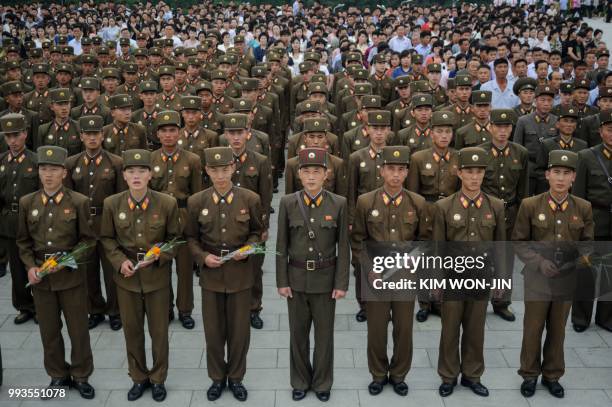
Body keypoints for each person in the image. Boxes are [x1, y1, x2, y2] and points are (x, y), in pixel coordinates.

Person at [100, 149, 181, 402]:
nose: (136, 176)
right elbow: (107, 237)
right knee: (132, 332)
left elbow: (175, 239)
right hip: (127, 280)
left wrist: (159, 255)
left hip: (156, 279)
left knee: (158, 332)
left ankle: (158, 379)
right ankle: (138, 377)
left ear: (150, 174)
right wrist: (119, 260)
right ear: (124, 176)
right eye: (131, 171)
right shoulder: (112, 204)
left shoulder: (167, 203)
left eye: (142, 171)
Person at [513, 149, 594, 399]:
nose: (560, 178)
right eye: (556, 172)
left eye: (566, 173)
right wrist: (538, 262)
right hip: (537, 279)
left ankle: (552, 375)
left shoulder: (583, 207)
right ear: (547, 175)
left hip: (565, 280)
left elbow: (588, 243)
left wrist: (573, 262)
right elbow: (518, 241)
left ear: (573, 178)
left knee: (558, 329)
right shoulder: (530, 205)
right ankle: (529, 374)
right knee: (533, 328)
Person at [185, 147, 264, 402]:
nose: (220, 175)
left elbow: (257, 233)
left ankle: (237, 378)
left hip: (240, 274)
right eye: (214, 170)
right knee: (214, 331)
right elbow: (191, 238)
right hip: (211, 276)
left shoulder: (250, 199)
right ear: (207, 171)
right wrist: (202, 258)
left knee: (240, 332)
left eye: (224, 169)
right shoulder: (197, 201)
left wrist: (248, 248)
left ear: (233, 168)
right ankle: (217, 378)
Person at [17, 146, 96, 399]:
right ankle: (57, 375)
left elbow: (88, 241)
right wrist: (30, 267)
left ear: (64, 172)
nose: (48, 174)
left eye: (53, 169)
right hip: (41, 280)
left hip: (70, 278)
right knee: (49, 331)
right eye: (43, 169)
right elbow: (23, 241)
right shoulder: (28, 202)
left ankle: (81, 375)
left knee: (78, 330)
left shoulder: (79, 202)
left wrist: (67, 261)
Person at [351, 145, 427, 397]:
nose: (396, 174)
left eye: (401, 170)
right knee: (376, 329)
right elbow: (358, 240)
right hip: (377, 276)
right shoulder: (366, 201)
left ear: (406, 173)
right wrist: (369, 267)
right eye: (391, 169)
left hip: (406, 276)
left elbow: (424, 241)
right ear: (381, 171)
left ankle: (399, 374)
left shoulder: (417, 202)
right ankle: (378, 374)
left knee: (404, 329)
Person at [276, 147, 349, 402]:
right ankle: (299, 381)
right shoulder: (287, 203)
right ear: (298, 174)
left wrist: (341, 283)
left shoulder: (338, 203)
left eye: (316, 171)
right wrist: (282, 281)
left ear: (326, 174)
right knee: (297, 334)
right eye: (306, 171)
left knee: (324, 335)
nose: (311, 176)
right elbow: (281, 247)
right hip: (295, 279)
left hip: (325, 280)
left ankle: (322, 382)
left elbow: (343, 247)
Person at [433, 147, 506, 398]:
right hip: (453, 278)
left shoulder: (495, 206)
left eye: (479, 172)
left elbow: (500, 247)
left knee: (476, 329)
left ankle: (472, 375)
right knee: (450, 329)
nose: (474, 177)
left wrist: (501, 279)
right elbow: (438, 248)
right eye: (469, 171)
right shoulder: (444, 206)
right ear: (459, 172)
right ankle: (448, 375)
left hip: (481, 278)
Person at [64, 115, 126, 331]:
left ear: (102, 135)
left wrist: (118, 227)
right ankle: (95, 309)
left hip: (107, 222)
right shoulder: (72, 163)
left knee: (111, 271)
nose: (92, 138)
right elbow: (69, 199)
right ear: (81, 136)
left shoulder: (116, 162)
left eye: (96, 133)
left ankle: (115, 311)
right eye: (87, 134)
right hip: (84, 224)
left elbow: (120, 198)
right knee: (88, 271)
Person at [149, 110, 202, 329]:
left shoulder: (193, 160)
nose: (169, 135)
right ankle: (166, 307)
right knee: (161, 267)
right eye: (164, 131)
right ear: (158, 134)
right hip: (158, 219)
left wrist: (196, 226)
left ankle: (185, 310)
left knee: (184, 269)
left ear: (179, 132)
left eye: (172, 130)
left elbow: (197, 195)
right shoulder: (149, 159)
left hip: (183, 219)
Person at [407, 111, 460, 321]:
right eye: (440, 131)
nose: (444, 136)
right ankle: (425, 302)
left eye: (448, 131)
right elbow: (412, 193)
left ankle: (440, 300)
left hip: (449, 214)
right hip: (426, 213)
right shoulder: (418, 158)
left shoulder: (458, 157)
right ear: (431, 133)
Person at [222, 113, 273, 329]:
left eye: (239, 133)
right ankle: (231, 310)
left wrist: (264, 226)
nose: (236, 137)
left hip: (252, 225)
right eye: (231, 133)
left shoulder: (259, 160)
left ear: (247, 134)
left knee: (254, 269)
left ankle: (254, 309)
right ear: (225, 135)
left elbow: (265, 195)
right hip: (226, 223)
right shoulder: (220, 160)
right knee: (227, 268)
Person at [571, 109, 612, 332]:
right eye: (609, 130)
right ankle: (581, 318)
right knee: (586, 273)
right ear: (600, 131)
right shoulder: (587, 156)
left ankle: (606, 318)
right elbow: (578, 195)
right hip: (593, 222)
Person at [0, 113, 38, 324]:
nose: (13, 140)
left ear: (25, 134)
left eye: (16, 135)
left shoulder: (35, 160)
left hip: (31, 220)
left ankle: (41, 306)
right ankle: (24, 306)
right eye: (8, 136)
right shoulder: (2, 161)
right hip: (10, 221)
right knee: (16, 268)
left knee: (35, 264)